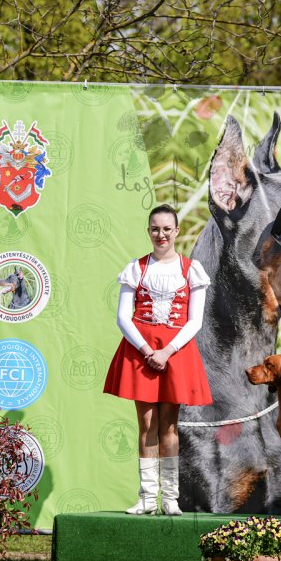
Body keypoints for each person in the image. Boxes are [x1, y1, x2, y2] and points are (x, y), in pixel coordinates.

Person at [103, 204, 213, 516]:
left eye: (166, 229)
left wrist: (167, 351)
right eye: (155, 229)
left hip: (176, 352)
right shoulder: (136, 268)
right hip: (142, 352)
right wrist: (146, 349)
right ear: (148, 231)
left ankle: (170, 498)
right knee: (147, 424)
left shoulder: (191, 269)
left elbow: (195, 321)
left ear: (176, 231)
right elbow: (123, 317)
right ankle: (148, 497)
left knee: (170, 425)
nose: (161, 234)